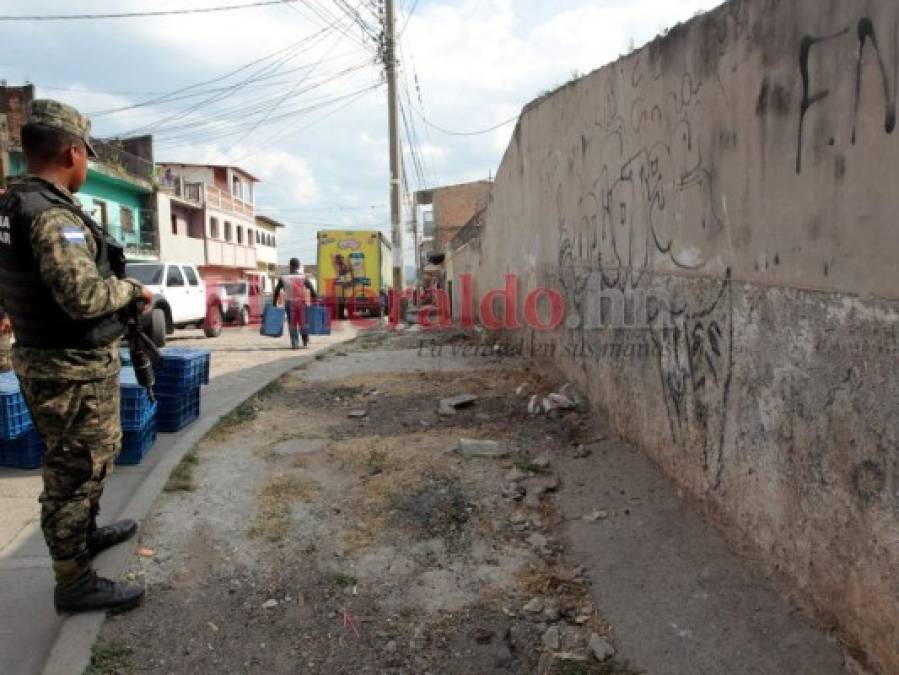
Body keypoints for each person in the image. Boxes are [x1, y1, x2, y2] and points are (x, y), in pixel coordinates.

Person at [0, 100, 153, 614]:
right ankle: (74, 581)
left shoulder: (15, 205)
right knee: (73, 473)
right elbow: (83, 297)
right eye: (85, 154)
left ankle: (83, 538)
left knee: (88, 463)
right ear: (71, 151)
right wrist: (131, 291)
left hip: (56, 365)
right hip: (68, 372)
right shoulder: (50, 216)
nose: (85, 163)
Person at [273, 258, 317, 349]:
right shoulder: (303, 277)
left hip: (290, 303)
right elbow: (312, 289)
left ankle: (294, 343)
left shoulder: (283, 277)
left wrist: (274, 303)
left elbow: (276, 290)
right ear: (298, 266)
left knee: (292, 323)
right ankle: (305, 340)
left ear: (290, 265)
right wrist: (314, 300)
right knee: (303, 322)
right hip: (301, 303)